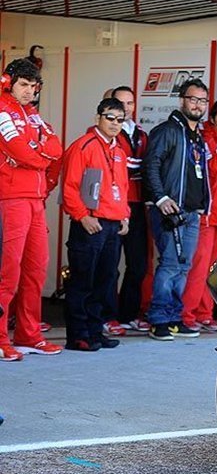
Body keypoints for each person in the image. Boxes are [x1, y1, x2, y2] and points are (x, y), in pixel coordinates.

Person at [0, 58, 63, 362]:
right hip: (10, 200)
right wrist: (38, 154)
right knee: (7, 274)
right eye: (23, 84)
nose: (28, 91)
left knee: (36, 270)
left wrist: (35, 152)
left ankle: (28, 334)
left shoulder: (34, 115)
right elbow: (20, 150)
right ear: (8, 82)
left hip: (36, 202)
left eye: (32, 86)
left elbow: (56, 147)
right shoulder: (2, 110)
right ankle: (1, 338)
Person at [142, 78, 211, 341]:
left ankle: (173, 318)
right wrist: (160, 199)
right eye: (193, 99)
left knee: (183, 266)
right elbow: (151, 165)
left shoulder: (197, 135)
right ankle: (158, 319)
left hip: (192, 212)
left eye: (202, 101)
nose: (197, 105)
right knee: (170, 265)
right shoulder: (167, 130)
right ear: (182, 100)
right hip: (170, 211)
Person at [61, 98, 131, 351]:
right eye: (109, 117)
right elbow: (69, 186)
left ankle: (95, 330)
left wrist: (124, 216)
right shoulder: (84, 146)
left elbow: (122, 188)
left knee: (105, 280)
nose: (114, 123)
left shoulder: (120, 152)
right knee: (82, 281)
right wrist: (82, 216)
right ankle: (78, 335)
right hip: (90, 223)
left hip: (113, 224)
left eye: (120, 119)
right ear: (97, 118)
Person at [181, 99, 217, 333]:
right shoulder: (207, 140)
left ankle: (205, 313)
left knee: (213, 271)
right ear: (213, 120)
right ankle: (187, 314)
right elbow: (211, 171)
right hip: (206, 215)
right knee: (198, 267)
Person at [109, 86, 151, 334]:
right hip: (113, 205)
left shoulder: (141, 134)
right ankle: (108, 315)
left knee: (138, 264)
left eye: (130, 103)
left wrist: (135, 166)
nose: (126, 107)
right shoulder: (106, 132)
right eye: (121, 102)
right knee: (109, 265)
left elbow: (139, 166)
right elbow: (126, 166)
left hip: (137, 204)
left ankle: (128, 313)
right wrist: (138, 166)